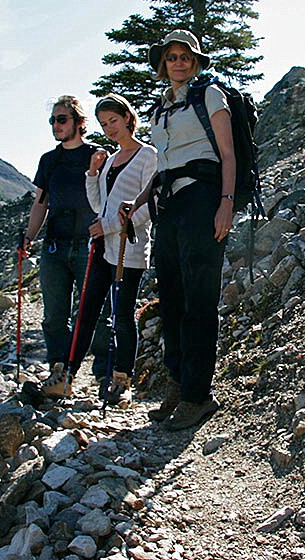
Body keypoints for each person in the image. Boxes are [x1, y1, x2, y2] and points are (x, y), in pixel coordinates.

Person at [121, 29, 235, 431]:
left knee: (199, 299)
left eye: (185, 56)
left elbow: (227, 153)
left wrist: (225, 204)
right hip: (168, 205)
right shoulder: (159, 108)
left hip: (203, 199)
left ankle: (198, 395)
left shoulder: (211, 96)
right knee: (171, 297)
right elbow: (163, 166)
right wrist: (139, 203)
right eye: (171, 57)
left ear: (196, 61)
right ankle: (178, 381)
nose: (179, 62)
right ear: (162, 64)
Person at [66, 93, 156, 406]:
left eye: (113, 121)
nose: (109, 129)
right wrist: (93, 174)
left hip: (128, 251)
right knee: (87, 309)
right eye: (104, 124)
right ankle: (67, 374)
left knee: (122, 314)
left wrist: (110, 227)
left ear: (128, 118)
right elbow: (99, 206)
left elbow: (148, 206)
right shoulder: (111, 162)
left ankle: (122, 380)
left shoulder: (148, 156)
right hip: (105, 249)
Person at [23, 95, 99, 397]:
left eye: (62, 119)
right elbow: (40, 204)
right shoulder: (49, 161)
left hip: (89, 245)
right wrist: (29, 237)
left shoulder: (97, 156)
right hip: (54, 245)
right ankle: (59, 372)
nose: (56, 125)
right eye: (53, 120)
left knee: (94, 312)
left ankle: (105, 375)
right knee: (54, 314)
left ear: (79, 123)